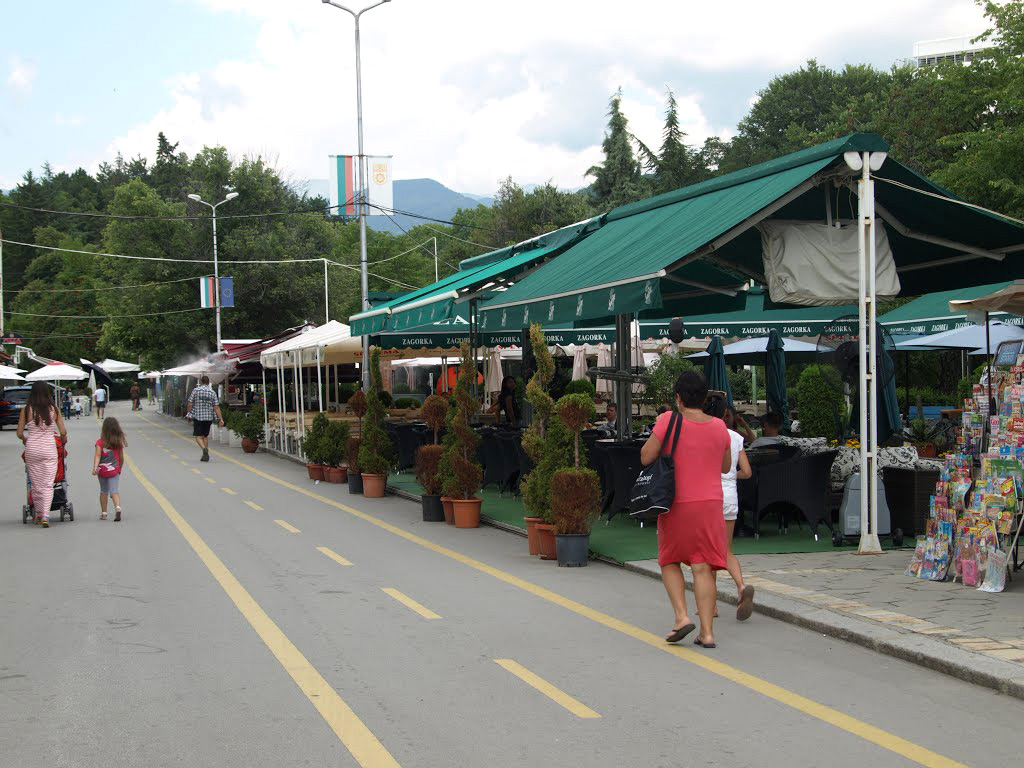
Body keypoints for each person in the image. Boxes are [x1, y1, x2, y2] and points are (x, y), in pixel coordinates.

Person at [641, 370, 731, 648]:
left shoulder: (669, 420)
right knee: (702, 567)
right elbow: (726, 466)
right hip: (711, 504)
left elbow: (646, 456)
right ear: (704, 398)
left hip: (678, 503)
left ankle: (681, 617)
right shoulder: (720, 427)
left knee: (669, 559)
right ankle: (707, 633)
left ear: (678, 397)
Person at [706, 399, 756, 621]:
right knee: (726, 550)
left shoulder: (705, 435)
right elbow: (747, 472)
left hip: (710, 497)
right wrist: (729, 477)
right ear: (725, 414)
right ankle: (741, 586)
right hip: (730, 498)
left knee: (708, 552)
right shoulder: (735, 437)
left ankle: (711, 605)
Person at [17, 381, 68, 528]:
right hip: (49, 450)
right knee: (47, 484)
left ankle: (39, 514)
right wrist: (63, 439)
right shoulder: (54, 409)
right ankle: (45, 515)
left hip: (32, 450)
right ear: (47, 393)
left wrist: (25, 439)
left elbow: (19, 433)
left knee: (36, 484)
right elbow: (63, 432)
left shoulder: (26, 410)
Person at [93, 417, 126, 521]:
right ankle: (118, 507)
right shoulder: (118, 443)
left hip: (102, 471)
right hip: (114, 470)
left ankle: (104, 513)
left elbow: (98, 455)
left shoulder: (99, 442)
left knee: (103, 491)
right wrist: (119, 468)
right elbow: (121, 458)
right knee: (114, 490)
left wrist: (95, 468)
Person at [186, 375, 224, 462]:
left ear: (201, 382)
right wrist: (221, 419)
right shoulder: (212, 392)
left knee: (198, 436)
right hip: (208, 418)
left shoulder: (196, 390)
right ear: (208, 382)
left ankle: (204, 449)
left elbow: (190, 404)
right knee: (205, 436)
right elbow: (216, 407)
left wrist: (189, 414)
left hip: (198, 417)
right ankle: (205, 455)